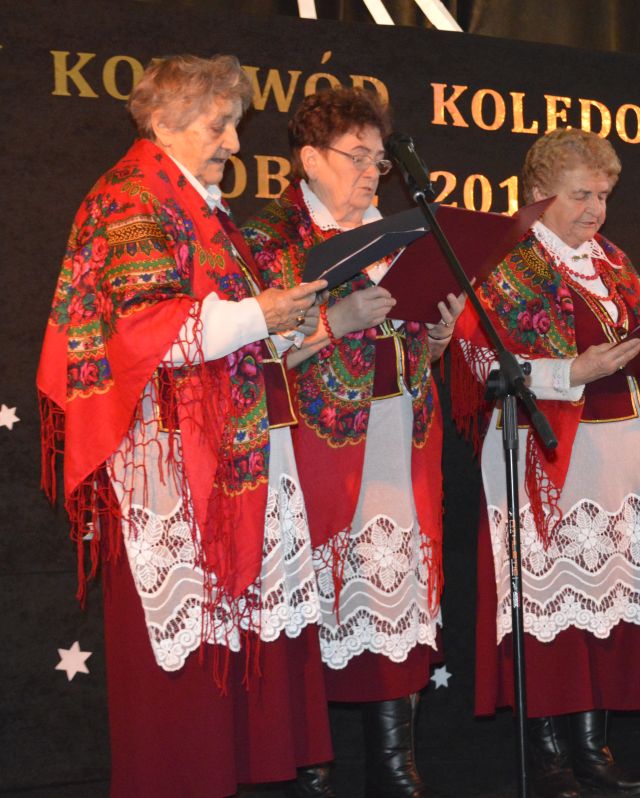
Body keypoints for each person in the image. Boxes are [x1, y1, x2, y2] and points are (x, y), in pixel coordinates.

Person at [37, 54, 332, 796]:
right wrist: (262, 313)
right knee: (181, 665)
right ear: (164, 123)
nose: (234, 142)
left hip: (225, 443)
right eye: (219, 124)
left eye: (235, 124)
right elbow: (148, 329)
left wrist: (293, 324)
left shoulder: (201, 205)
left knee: (231, 647)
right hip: (167, 459)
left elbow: (231, 332)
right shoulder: (131, 199)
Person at [456, 128, 640, 798]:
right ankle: (547, 754)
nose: (596, 209)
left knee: (607, 604)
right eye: (581, 195)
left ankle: (594, 748)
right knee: (553, 613)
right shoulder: (505, 264)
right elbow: (480, 364)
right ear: (538, 195)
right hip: (551, 458)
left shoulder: (614, 262)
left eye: (603, 195)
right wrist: (571, 370)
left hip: (625, 457)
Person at [242, 87, 463, 797]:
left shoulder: (401, 234)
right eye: (357, 156)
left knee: (390, 596)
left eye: (379, 159)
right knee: (315, 599)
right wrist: (334, 322)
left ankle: (394, 764)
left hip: (401, 439)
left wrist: (437, 336)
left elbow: (416, 344)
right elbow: (250, 359)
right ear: (310, 159)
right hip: (314, 447)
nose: (373, 171)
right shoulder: (271, 239)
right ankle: (310, 767)